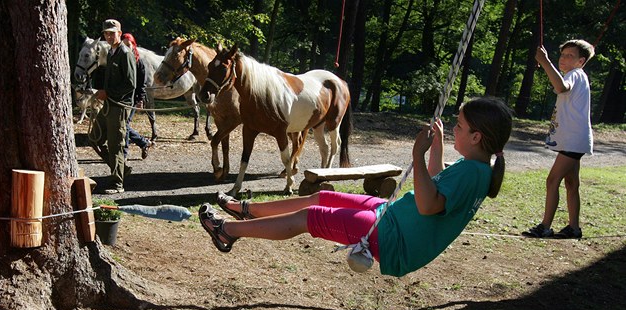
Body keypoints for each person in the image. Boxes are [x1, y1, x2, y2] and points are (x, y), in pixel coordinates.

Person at [199, 96, 513, 277]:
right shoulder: (476, 168)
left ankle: (227, 230)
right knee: (322, 196)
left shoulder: (474, 172)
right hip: (390, 217)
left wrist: (417, 155)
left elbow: (428, 205)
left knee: (310, 216)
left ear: (476, 137)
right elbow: (438, 183)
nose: (454, 130)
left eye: (459, 126)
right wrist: (436, 151)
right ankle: (245, 210)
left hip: (394, 238)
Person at [522, 40, 595, 239]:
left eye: (570, 56)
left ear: (581, 61)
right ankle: (574, 228)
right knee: (571, 183)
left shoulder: (575, 74)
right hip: (575, 140)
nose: (563, 58)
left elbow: (561, 87)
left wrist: (545, 62)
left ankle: (545, 226)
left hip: (573, 141)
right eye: (562, 55)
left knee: (552, 180)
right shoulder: (578, 75)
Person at [89, 19, 136, 194]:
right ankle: (121, 169)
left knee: (116, 144)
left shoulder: (125, 53)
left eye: (112, 33)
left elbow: (130, 84)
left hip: (120, 105)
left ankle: (117, 184)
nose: (108, 36)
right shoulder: (111, 52)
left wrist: (107, 92)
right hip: (109, 104)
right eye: (106, 33)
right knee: (94, 138)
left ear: (119, 32)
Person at [121, 33, 154, 160]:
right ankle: (143, 142)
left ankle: (124, 154)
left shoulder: (139, 63)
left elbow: (142, 84)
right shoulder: (120, 60)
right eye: (124, 45)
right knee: (123, 125)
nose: (126, 48)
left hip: (133, 99)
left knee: (124, 124)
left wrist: (140, 100)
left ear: (133, 45)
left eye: (128, 45)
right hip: (121, 98)